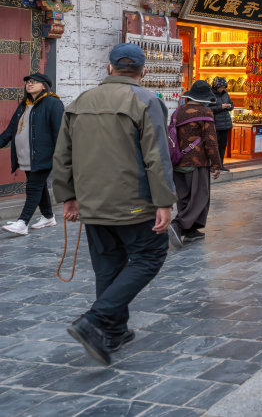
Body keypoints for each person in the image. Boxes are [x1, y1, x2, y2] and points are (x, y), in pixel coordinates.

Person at [52, 43, 176, 366]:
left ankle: (113, 332)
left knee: (107, 265)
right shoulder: (147, 101)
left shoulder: (80, 101)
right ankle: (96, 320)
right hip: (134, 203)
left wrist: (68, 196)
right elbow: (157, 157)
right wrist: (164, 202)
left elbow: (62, 155)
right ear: (143, 71)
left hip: (92, 203)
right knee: (151, 255)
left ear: (109, 69)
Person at [0, 73, 64, 236]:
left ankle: (22, 222)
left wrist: (60, 157)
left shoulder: (53, 103)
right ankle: (48, 216)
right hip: (26, 157)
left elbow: (59, 132)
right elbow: (10, 130)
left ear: (44, 85)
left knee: (33, 187)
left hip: (42, 156)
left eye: (34, 82)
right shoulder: (24, 104)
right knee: (40, 186)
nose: (29, 84)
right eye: (28, 82)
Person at [168, 81, 223, 249]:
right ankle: (177, 225)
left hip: (177, 161)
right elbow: (211, 141)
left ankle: (191, 231)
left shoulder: (178, 111)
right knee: (200, 197)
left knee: (184, 197)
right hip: (197, 163)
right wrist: (216, 164)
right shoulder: (205, 112)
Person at [210, 77, 233, 172]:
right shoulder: (210, 95)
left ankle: (220, 165)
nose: (222, 89)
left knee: (223, 145)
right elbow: (208, 109)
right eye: (220, 87)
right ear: (215, 86)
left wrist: (229, 106)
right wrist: (220, 107)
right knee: (214, 145)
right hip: (215, 124)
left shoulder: (225, 94)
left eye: (223, 87)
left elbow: (232, 105)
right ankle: (212, 165)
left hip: (225, 124)